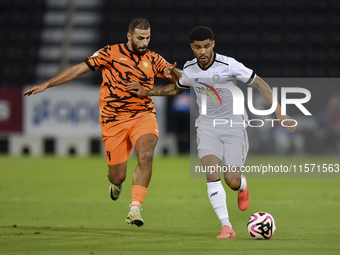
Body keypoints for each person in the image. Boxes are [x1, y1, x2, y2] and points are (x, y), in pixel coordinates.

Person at [127, 26, 296, 237]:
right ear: (192, 48)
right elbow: (177, 87)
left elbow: (259, 83)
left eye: (207, 46)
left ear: (213, 44)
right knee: (211, 173)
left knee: (231, 180)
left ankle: (242, 184)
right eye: (198, 48)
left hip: (234, 125)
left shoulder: (228, 64)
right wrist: (147, 92)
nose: (203, 52)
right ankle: (227, 227)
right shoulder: (189, 69)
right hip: (207, 126)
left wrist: (279, 112)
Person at [23, 18, 180, 227]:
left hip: (143, 115)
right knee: (117, 176)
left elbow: (179, 84)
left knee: (146, 153)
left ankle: (135, 209)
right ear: (129, 36)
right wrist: (47, 84)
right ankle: (116, 184)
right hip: (113, 121)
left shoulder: (154, 59)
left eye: (148, 38)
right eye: (140, 38)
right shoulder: (109, 53)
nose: (145, 43)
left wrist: (176, 76)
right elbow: (78, 69)